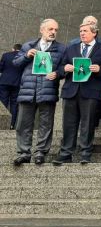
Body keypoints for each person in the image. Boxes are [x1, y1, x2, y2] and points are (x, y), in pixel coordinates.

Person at [53, 23, 101, 165]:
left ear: (94, 33)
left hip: (91, 91)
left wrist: (100, 68)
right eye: (80, 31)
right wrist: (65, 68)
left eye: (85, 31)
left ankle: (85, 152)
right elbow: (60, 68)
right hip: (71, 91)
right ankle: (66, 153)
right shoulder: (71, 48)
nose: (82, 33)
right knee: (68, 123)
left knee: (88, 123)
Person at [13, 19, 64, 165]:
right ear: (42, 30)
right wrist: (26, 55)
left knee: (46, 124)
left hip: (48, 90)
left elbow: (64, 68)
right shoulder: (28, 45)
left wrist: (58, 73)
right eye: (50, 29)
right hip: (28, 90)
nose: (53, 32)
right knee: (23, 123)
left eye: (56, 30)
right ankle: (24, 152)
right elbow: (15, 63)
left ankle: (41, 152)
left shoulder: (61, 49)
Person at [0, 43, 22, 129]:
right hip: (17, 83)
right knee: (14, 105)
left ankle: (1, 124)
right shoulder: (24, 57)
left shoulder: (6, 55)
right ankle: (11, 125)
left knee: (3, 102)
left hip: (4, 82)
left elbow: (1, 68)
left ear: (13, 49)